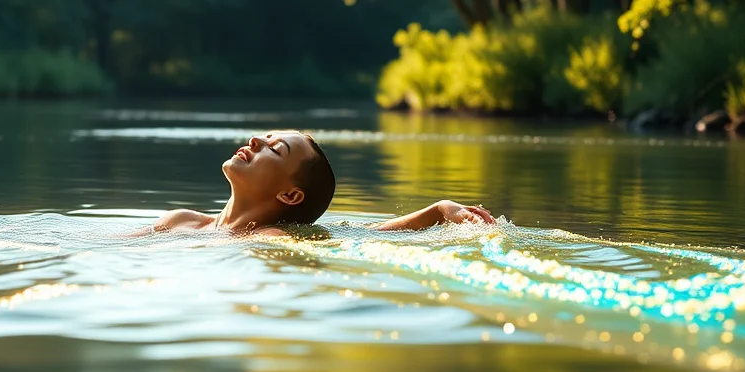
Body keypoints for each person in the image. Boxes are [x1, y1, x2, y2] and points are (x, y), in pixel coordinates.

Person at [153, 131, 497, 235]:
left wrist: (439, 210)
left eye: (275, 149)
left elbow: (365, 235)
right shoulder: (178, 220)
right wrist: (436, 211)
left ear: (290, 194)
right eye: (266, 138)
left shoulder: (271, 238)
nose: (255, 140)